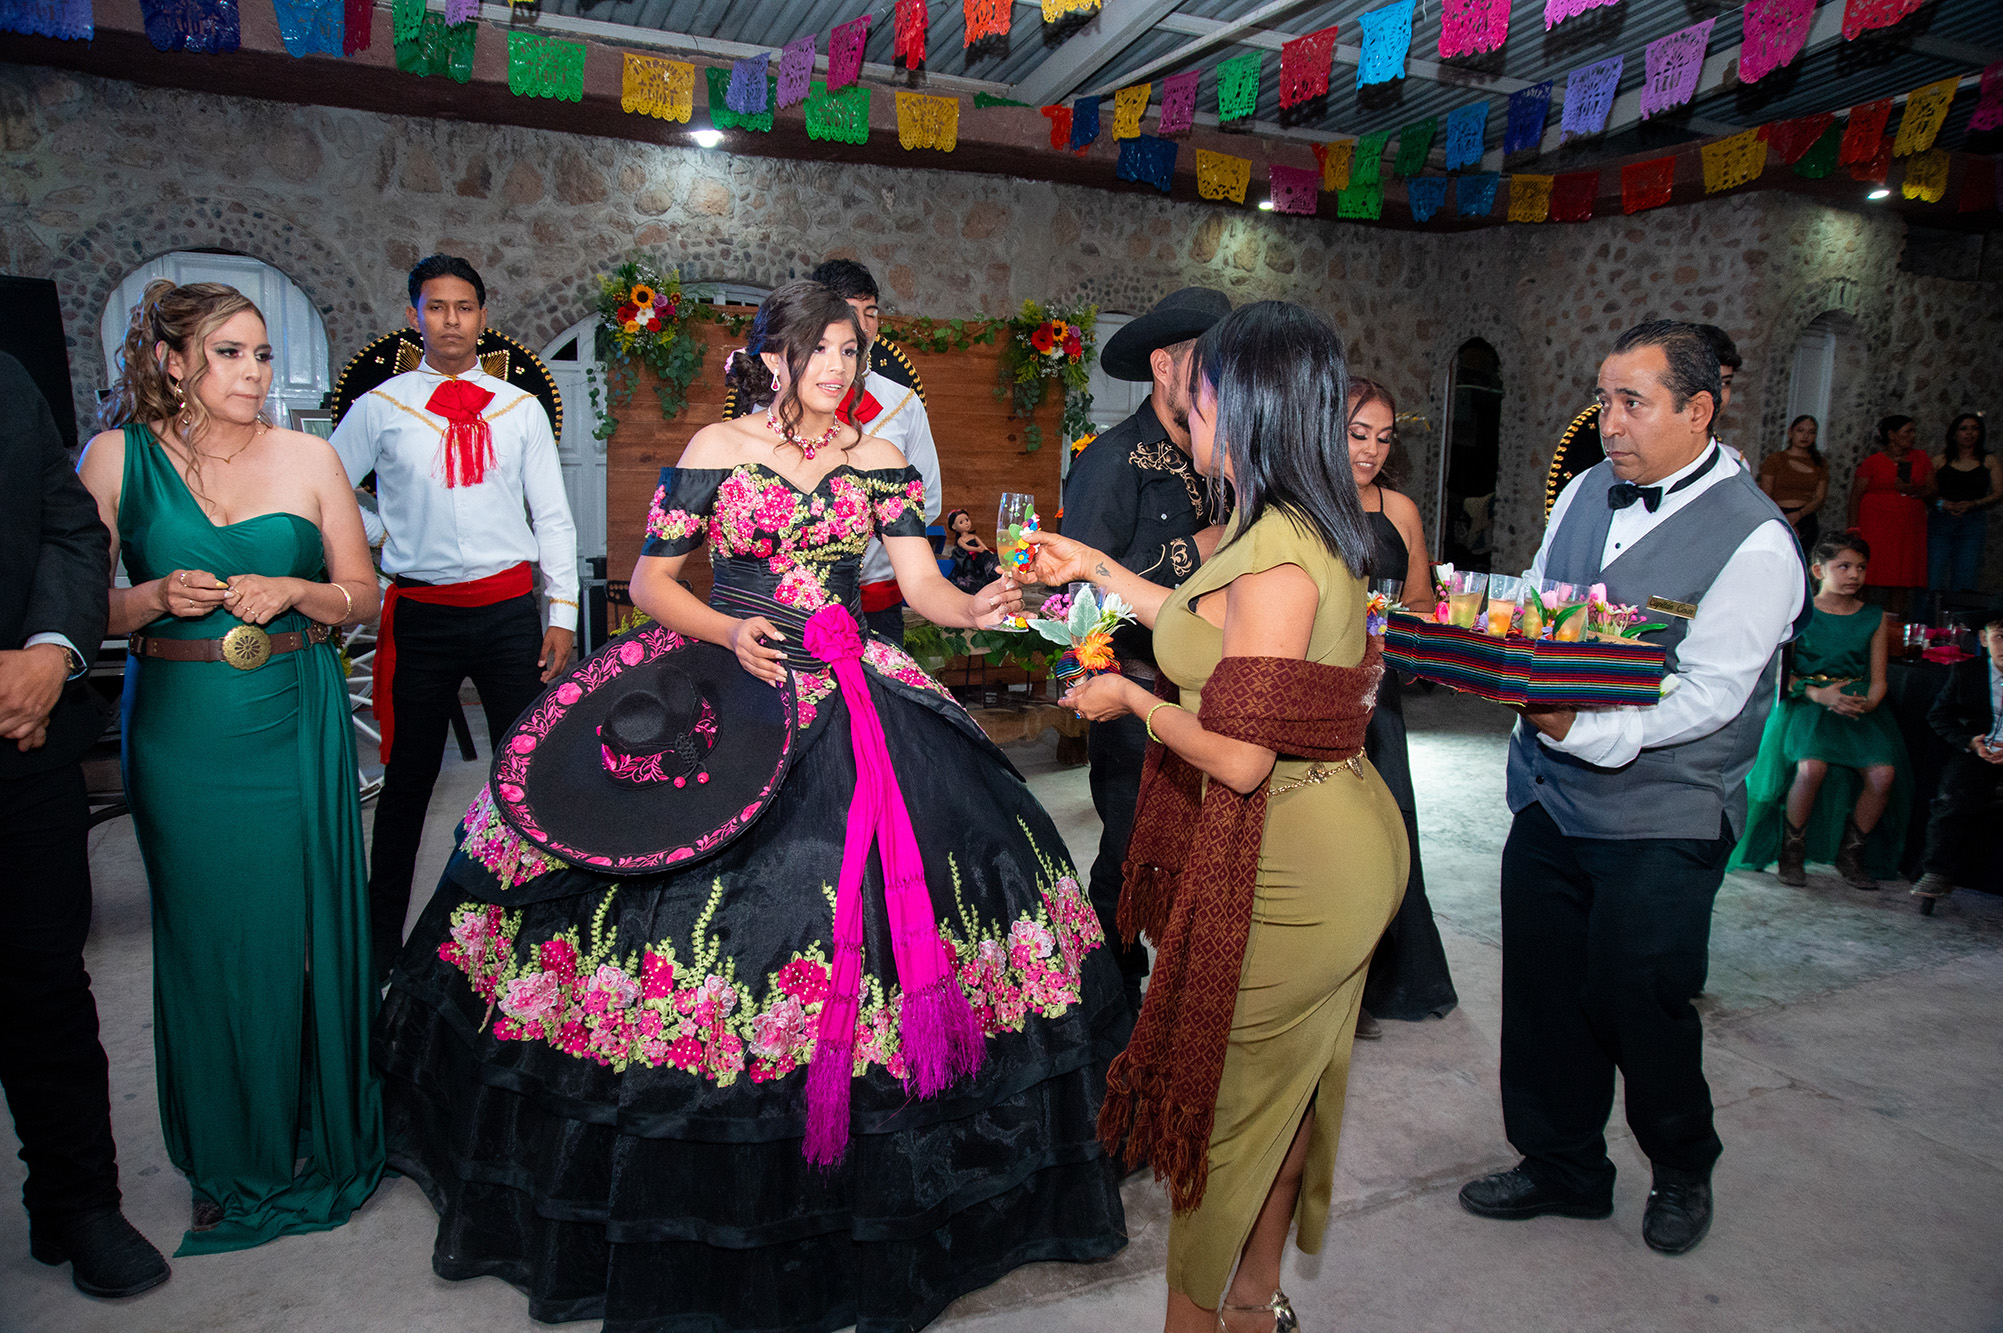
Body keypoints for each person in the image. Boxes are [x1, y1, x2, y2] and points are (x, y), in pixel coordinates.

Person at [372, 281, 1131, 1331]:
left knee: (923, 867)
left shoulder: (879, 458)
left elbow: (922, 591)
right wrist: (728, 631)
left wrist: (983, 604)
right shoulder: (715, 448)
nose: (837, 368)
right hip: (727, 679)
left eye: (851, 352)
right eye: (819, 350)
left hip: (854, 685)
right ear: (772, 357)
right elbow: (652, 582)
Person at [1026, 301, 1406, 1333]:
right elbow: (1207, 625)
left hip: (1303, 860)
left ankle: (1207, 1313)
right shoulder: (1279, 523)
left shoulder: (1277, 553)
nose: (1186, 413)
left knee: (1227, 1124)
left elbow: (1239, 758)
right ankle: (1252, 1301)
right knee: (1290, 1092)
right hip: (1323, 825)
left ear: (1240, 410)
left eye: (1198, 397)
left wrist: (1132, 701)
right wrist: (1097, 568)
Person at [1459, 320, 1807, 1257]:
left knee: (1635, 997)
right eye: (1603, 399)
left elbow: (1710, 696)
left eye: (1631, 402)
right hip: (1550, 796)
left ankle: (1682, 1162)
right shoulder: (1582, 490)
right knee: (1542, 992)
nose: (1607, 421)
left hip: (1663, 812)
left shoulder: (1756, 542)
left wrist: (1585, 732)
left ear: (1698, 410)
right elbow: (1540, 605)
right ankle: (1562, 1165)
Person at [76, 281, 384, 1252]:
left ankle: (316, 1122)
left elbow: (364, 595)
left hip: (295, 714)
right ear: (172, 362)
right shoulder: (116, 459)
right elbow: (72, 606)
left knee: (301, 926)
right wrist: (151, 596)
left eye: (261, 354)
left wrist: (297, 587)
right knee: (208, 937)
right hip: (182, 726)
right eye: (229, 353)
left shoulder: (309, 456)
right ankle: (227, 1150)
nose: (254, 373)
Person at [328, 255, 579, 982]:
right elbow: (321, 488)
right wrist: (377, 537)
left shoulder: (518, 408)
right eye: (435, 307)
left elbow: (553, 517)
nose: (450, 321)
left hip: (508, 614)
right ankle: (379, 950)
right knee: (407, 784)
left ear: (482, 316)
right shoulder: (381, 407)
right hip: (422, 616)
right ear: (415, 316)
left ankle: (539, 935)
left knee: (526, 774)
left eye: (463, 307)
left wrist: (561, 611)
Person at [0, 352, 170, 1298]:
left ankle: (77, 1203)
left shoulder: (5, 382)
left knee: (47, 986)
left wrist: (49, 652)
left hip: (22, 742)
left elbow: (69, 532)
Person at [1060, 286, 1231, 1021]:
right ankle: (1107, 1002)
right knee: (1131, 855)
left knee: (1202, 856)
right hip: (1131, 689)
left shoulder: (1228, 453)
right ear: (1163, 366)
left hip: (1213, 689)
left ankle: (1181, 1003)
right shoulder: (1112, 461)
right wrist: (1196, 549)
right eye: (1205, 363)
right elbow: (1078, 594)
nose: (1220, 379)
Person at [1346, 379, 1456, 1033]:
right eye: (1358, 434)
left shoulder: (1400, 509)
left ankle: (1386, 976)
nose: (1371, 451)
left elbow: (1421, 603)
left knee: (1387, 831)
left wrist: (1391, 623)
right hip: (1316, 686)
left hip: (1377, 693)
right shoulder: (1296, 504)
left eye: (1384, 439)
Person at [1731, 530, 1911, 890]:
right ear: (1818, 570)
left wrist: (1868, 703)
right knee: (1811, 768)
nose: (1854, 574)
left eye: (1861, 567)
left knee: (1883, 775)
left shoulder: (1874, 617)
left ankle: (1852, 853)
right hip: (1809, 703)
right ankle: (1792, 851)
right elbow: (1781, 673)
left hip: (1856, 706)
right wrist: (1817, 694)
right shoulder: (1799, 613)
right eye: (1844, 566)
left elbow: (1879, 679)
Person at [803, 259, 943, 649]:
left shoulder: (902, 403)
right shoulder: (780, 401)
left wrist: (866, 537)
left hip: (877, 597)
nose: (864, 326)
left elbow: (928, 498)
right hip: (797, 602)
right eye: (852, 311)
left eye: (872, 312)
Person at [1911, 594, 2003, 903]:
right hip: (1979, 753)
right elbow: (1939, 715)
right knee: (1952, 797)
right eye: (2000, 636)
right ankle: (1936, 871)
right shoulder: (1968, 673)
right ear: (1984, 639)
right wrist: (1969, 741)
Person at [1846, 414, 1933, 612]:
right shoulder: (1873, 462)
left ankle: (1894, 621)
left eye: (1914, 431)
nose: (1913, 435)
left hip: (1907, 528)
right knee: (1867, 573)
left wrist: (1914, 489)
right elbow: (1856, 496)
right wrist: (1853, 528)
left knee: (1901, 576)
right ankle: (1859, 617)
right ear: (1892, 435)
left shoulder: (1921, 458)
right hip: (1876, 527)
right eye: (1908, 431)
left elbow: (1933, 489)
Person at [1928, 413, 2000, 593]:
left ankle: (1959, 611)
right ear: (1954, 434)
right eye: (1964, 429)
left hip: (1972, 520)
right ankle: (1927, 611)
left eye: (1974, 428)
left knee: (1965, 575)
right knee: (1933, 575)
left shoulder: (1989, 461)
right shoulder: (1940, 460)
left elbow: (1999, 492)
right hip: (1941, 519)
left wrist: (1975, 503)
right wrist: (1943, 504)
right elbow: (1927, 491)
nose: (1969, 433)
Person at [1758, 414, 1829, 553]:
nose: (1805, 436)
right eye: (1800, 431)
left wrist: (1799, 514)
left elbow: (1820, 497)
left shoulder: (1820, 463)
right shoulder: (1775, 460)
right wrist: (1783, 518)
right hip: (1779, 514)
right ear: (1791, 432)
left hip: (1806, 518)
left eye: (1811, 432)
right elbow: (1766, 493)